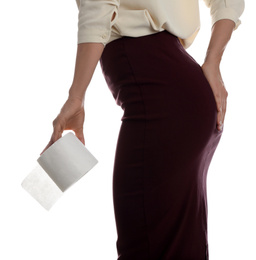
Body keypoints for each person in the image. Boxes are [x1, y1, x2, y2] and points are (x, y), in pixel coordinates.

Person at [41, 1, 245, 259]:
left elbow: (98, 7)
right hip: (184, 97)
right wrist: (212, 62)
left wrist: (76, 97)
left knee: (144, 246)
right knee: (177, 246)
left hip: (161, 102)